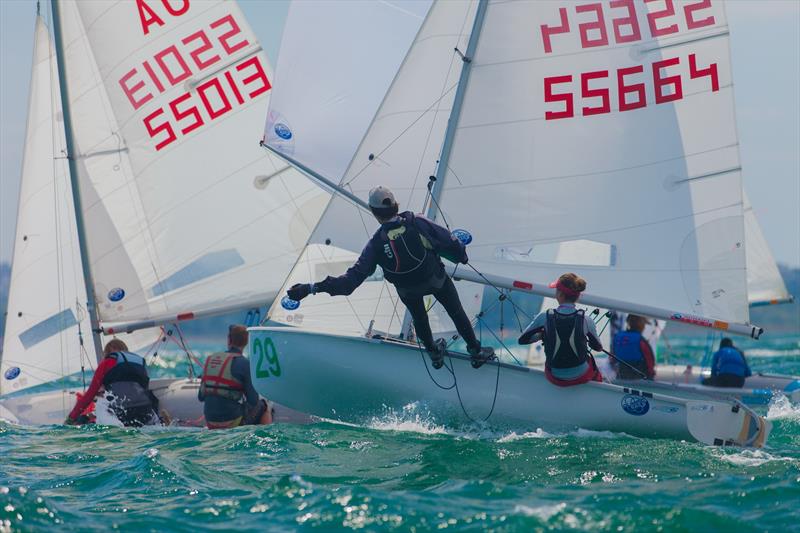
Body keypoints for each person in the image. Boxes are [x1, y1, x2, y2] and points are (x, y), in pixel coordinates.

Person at [286, 186, 494, 369]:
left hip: (408, 291)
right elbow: (449, 243)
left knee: (419, 317)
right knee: (455, 311)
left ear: (374, 213)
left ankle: (433, 352)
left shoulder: (375, 244)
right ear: (396, 205)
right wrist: (462, 257)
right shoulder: (417, 222)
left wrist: (310, 288)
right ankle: (475, 351)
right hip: (436, 280)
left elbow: (349, 283)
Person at [517, 273, 603, 386]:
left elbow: (522, 340)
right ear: (577, 296)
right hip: (581, 375)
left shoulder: (544, 317)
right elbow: (598, 348)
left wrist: (540, 336)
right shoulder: (586, 320)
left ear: (560, 294)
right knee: (593, 367)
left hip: (555, 375)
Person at [65, 339, 161, 427]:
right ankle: (162, 419)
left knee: (97, 408)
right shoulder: (140, 362)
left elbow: (89, 395)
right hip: (144, 410)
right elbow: (143, 389)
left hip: (121, 411)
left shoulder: (107, 362)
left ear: (107, 352)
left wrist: (70, 418)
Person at [198, 325, 272, 429]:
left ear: (229, 340)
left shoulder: (210, 359)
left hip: (210, 421)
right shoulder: (245, 364)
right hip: (232, 422)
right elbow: (253, 401)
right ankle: (265, 438)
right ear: (246, 342)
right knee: (264, 405)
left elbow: (200, 397)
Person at [610, 314, 656, 379]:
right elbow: (650, 362)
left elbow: (612, 358)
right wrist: (651, 376)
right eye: (644, 324)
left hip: (621, 377)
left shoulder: (617, 336)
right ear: (640, 324)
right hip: (639, 379)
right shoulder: (640, 340)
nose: (644, 327)